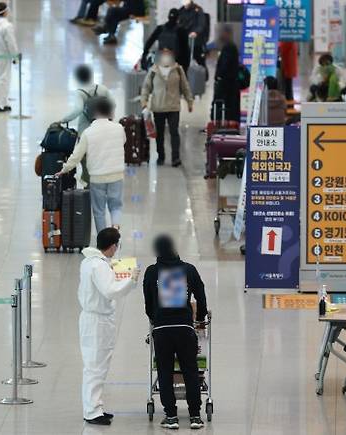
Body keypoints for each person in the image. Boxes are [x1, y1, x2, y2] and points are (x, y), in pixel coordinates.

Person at [143, 235, 207, 430]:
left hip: (162, 330)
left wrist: (154, 318)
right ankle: (195, 415)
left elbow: (147, 301)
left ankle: (171, 416)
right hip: (185, 328)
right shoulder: (188, 269)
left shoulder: (152, 271)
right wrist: (200, 317)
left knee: (164, 370)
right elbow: (201, 294)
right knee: (190, 370)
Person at [78, 228, 140, 425]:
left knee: (96, 366)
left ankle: (95, 406)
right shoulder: (99, 266)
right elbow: (110, 291)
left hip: (93, 319)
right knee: (95, 367)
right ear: (113, 246)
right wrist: (131, 280)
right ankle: (92, 411)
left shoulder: (90, 262)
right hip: (97, 322)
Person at [56, 98, 126, 233]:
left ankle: (103, 241)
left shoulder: (88, 133)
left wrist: (64, 169)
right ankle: (115, 230)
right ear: (110, 111)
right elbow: (122, 142)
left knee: (99, 211)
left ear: (95, 112)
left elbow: (77, 155)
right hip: (116, 175)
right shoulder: (119, 128)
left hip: (97, 177)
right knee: (116, 206)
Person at [58, 64, 114, 186]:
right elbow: (112, 104)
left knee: (86, 160)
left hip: (86, 131)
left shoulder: (80, 92)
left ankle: (89, 185)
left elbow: (77, 110)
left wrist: (63, 120)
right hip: (103, 130)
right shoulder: (103, 89)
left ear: (78, 78)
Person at [141, 47, 193, 167]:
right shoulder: (153, 70)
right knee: (159, 133)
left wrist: (190, 101)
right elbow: (146, 87)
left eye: (168, 54)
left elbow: (185, 86)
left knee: (174, 132)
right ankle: (161, 156)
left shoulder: (178, 69)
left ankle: (176, 158)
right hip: (158, 106)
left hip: (173, 106)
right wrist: (144, 102)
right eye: (163, 54)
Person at [141, 8, 190, 72]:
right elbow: (186, 50)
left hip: (161, 62)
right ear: (178, 18)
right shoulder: (182, 31)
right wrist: (185, 67)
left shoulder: (160, 29)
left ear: (168, 17)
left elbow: (149, 43)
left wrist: (144, 56)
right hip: (176, 63)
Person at [211, 24, 240, 122]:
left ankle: (219, 122)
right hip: (230, 83)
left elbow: (225, 65)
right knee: (230, 105)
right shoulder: (231, 47)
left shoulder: (228, 47)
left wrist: (219, 76)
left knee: (223, 104)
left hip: (226, 84)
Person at [177, 0, 208, 68]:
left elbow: (201, 24)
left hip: (196, 41)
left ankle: (202, 75)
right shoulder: (181, 11)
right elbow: (178, 24)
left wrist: (195, 32)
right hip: (184, 41)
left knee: (199, 61)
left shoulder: (197, 10)